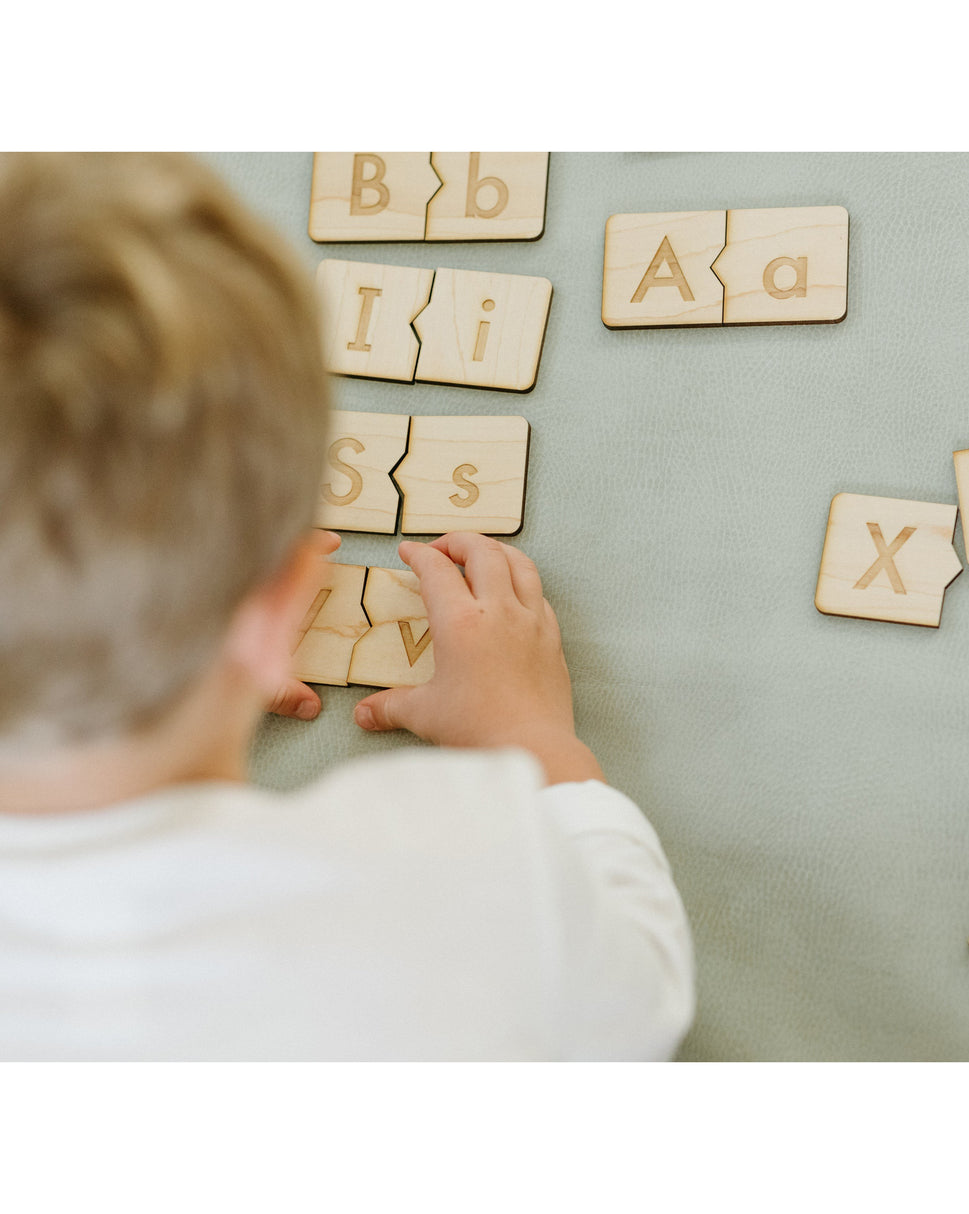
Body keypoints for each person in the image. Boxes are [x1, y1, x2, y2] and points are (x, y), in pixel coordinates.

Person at [0, 152, 694, 1060]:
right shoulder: (468, 873)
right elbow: (641, 994)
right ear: (278, 610)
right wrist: (539, 747)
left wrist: (167, 678)